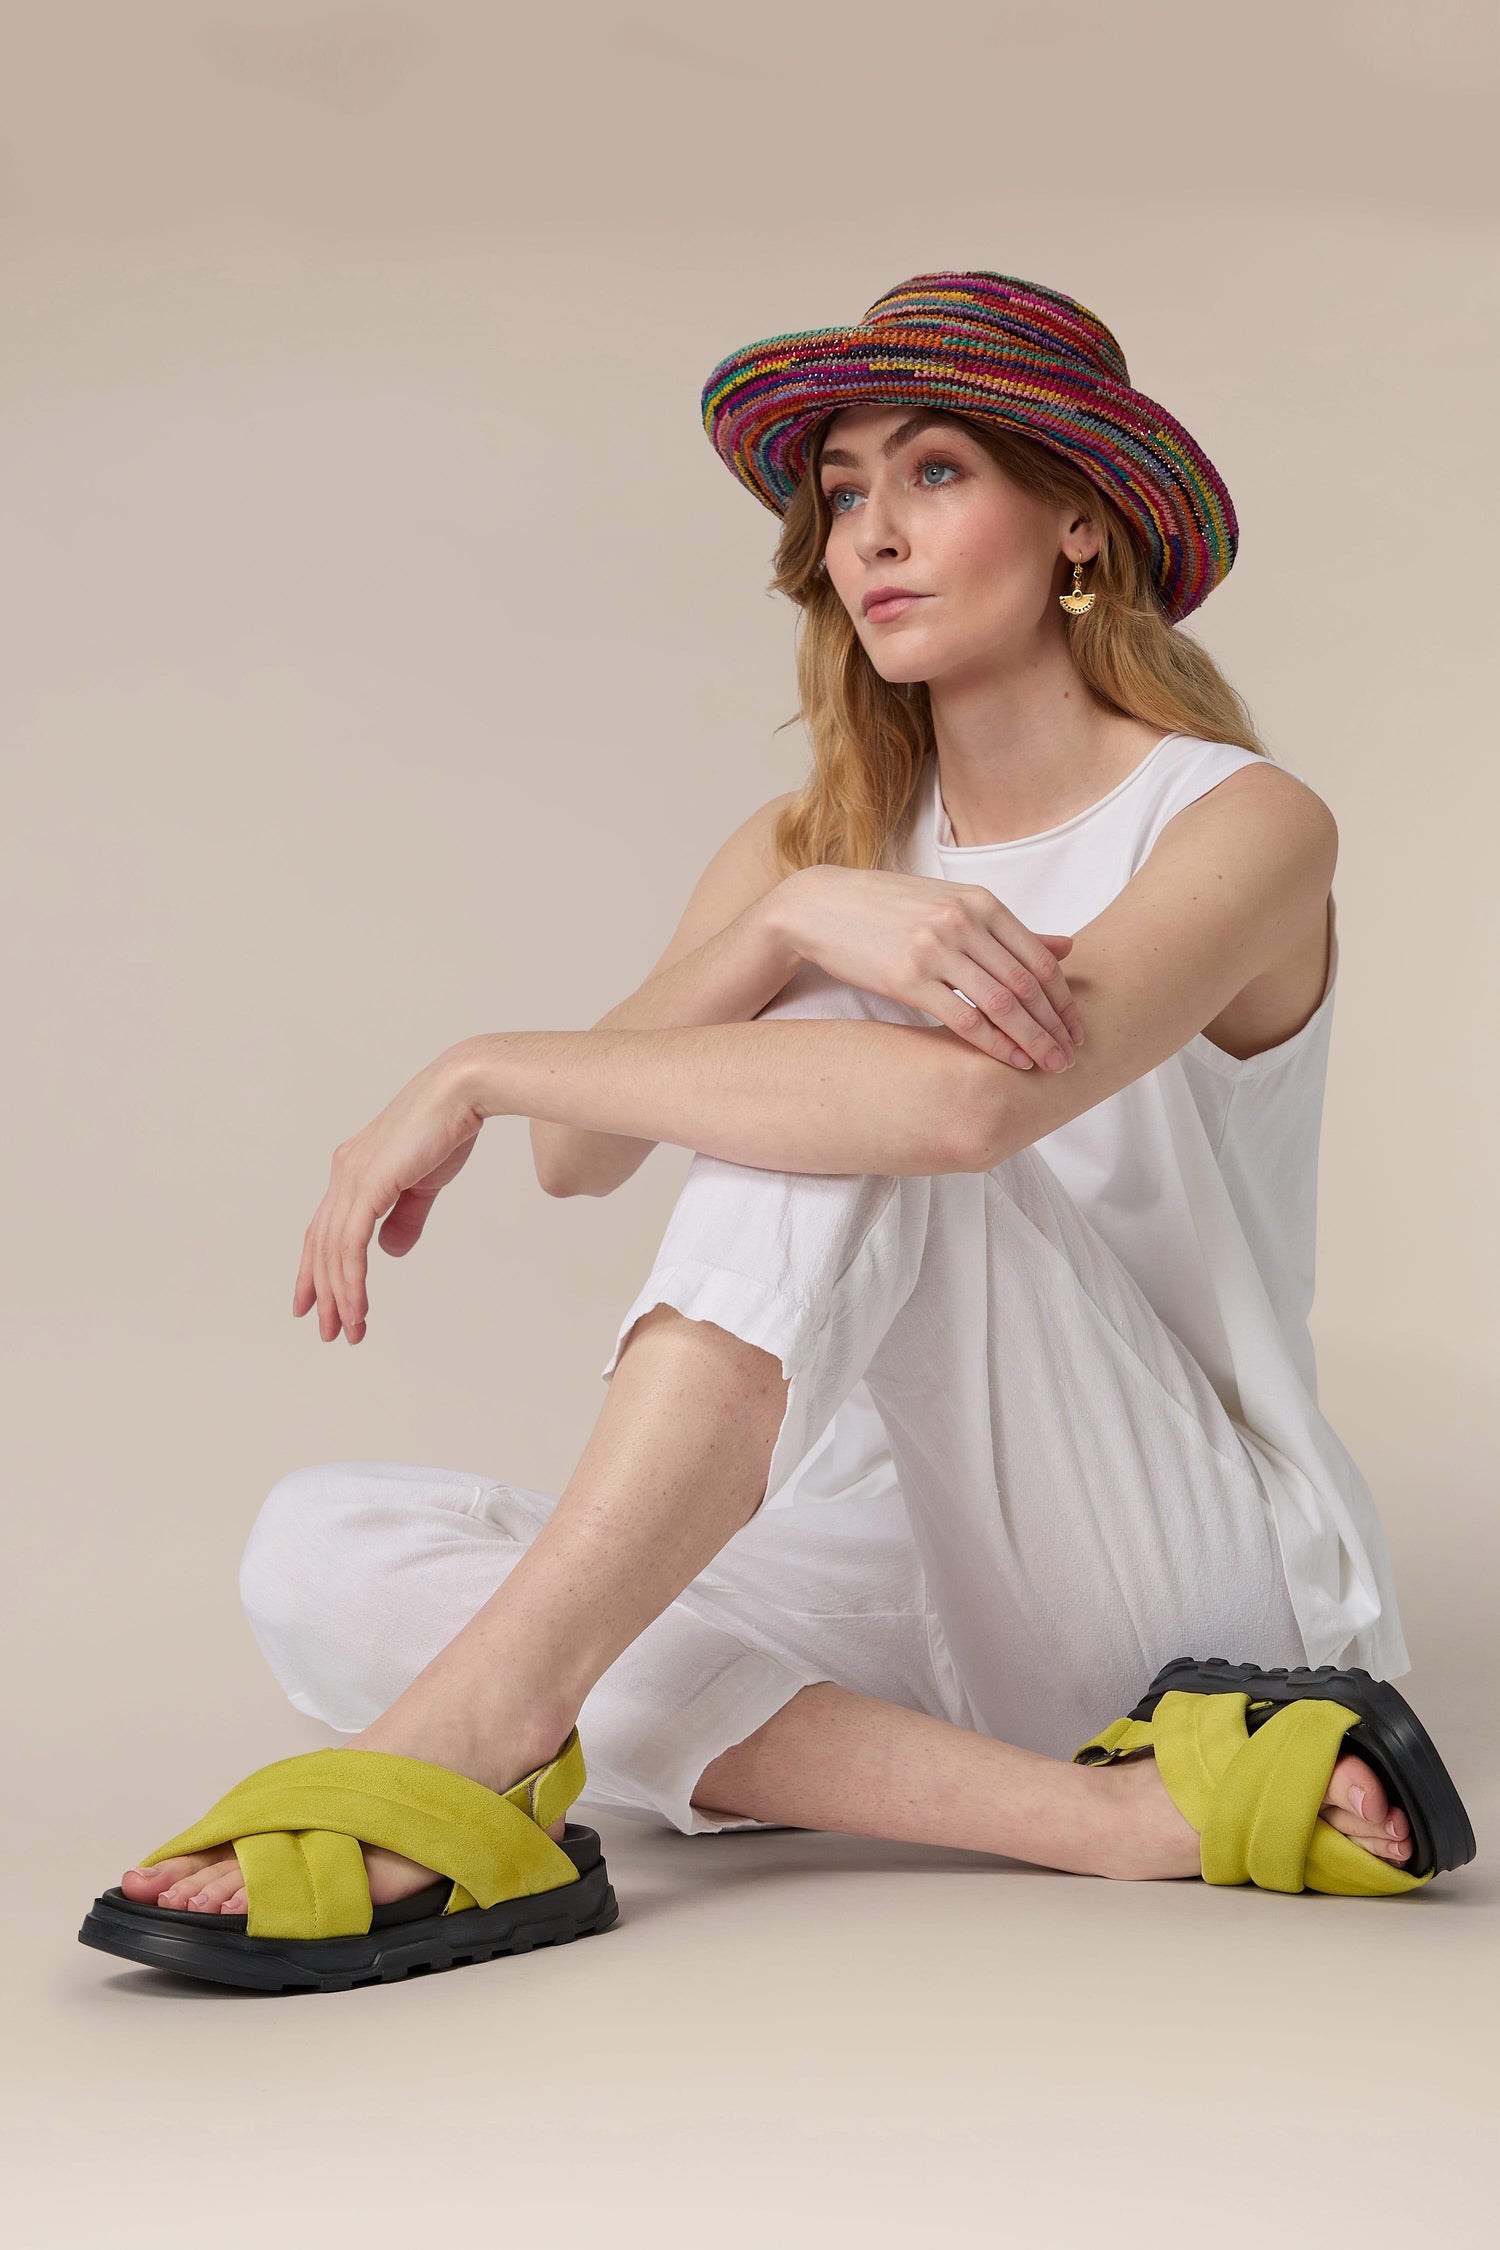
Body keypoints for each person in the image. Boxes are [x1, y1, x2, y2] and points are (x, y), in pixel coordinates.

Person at [82, 269, 1474, 1994]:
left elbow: (970, 1103)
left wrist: (485, 1060)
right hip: (889, 1582)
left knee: (857, 1061)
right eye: (841, 491)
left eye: (936, 472)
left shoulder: (1245, 820)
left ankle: (488, 1733)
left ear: (1082, 526)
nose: (870, 533)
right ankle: (1104, 1820)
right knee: (316, 1545)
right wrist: (794, 911)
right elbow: (581, 1156)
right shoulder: (815, 837)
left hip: (1175, 1578)